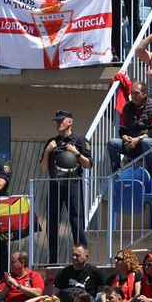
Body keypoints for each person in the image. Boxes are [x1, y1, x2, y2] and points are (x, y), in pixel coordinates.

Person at [40, 110, 91, 261]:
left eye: (61, 120)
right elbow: (43, 167)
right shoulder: (51, 142)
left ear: (70, 122)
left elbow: (88, 164)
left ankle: (81, 255)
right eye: (57, 121)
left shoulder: (80, 140)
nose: (58, 123)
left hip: (73, 184)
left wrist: (76, 153)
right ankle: (53, 259)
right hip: (55, 184)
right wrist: (48, 151)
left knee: (76, 220)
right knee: (52, 221)